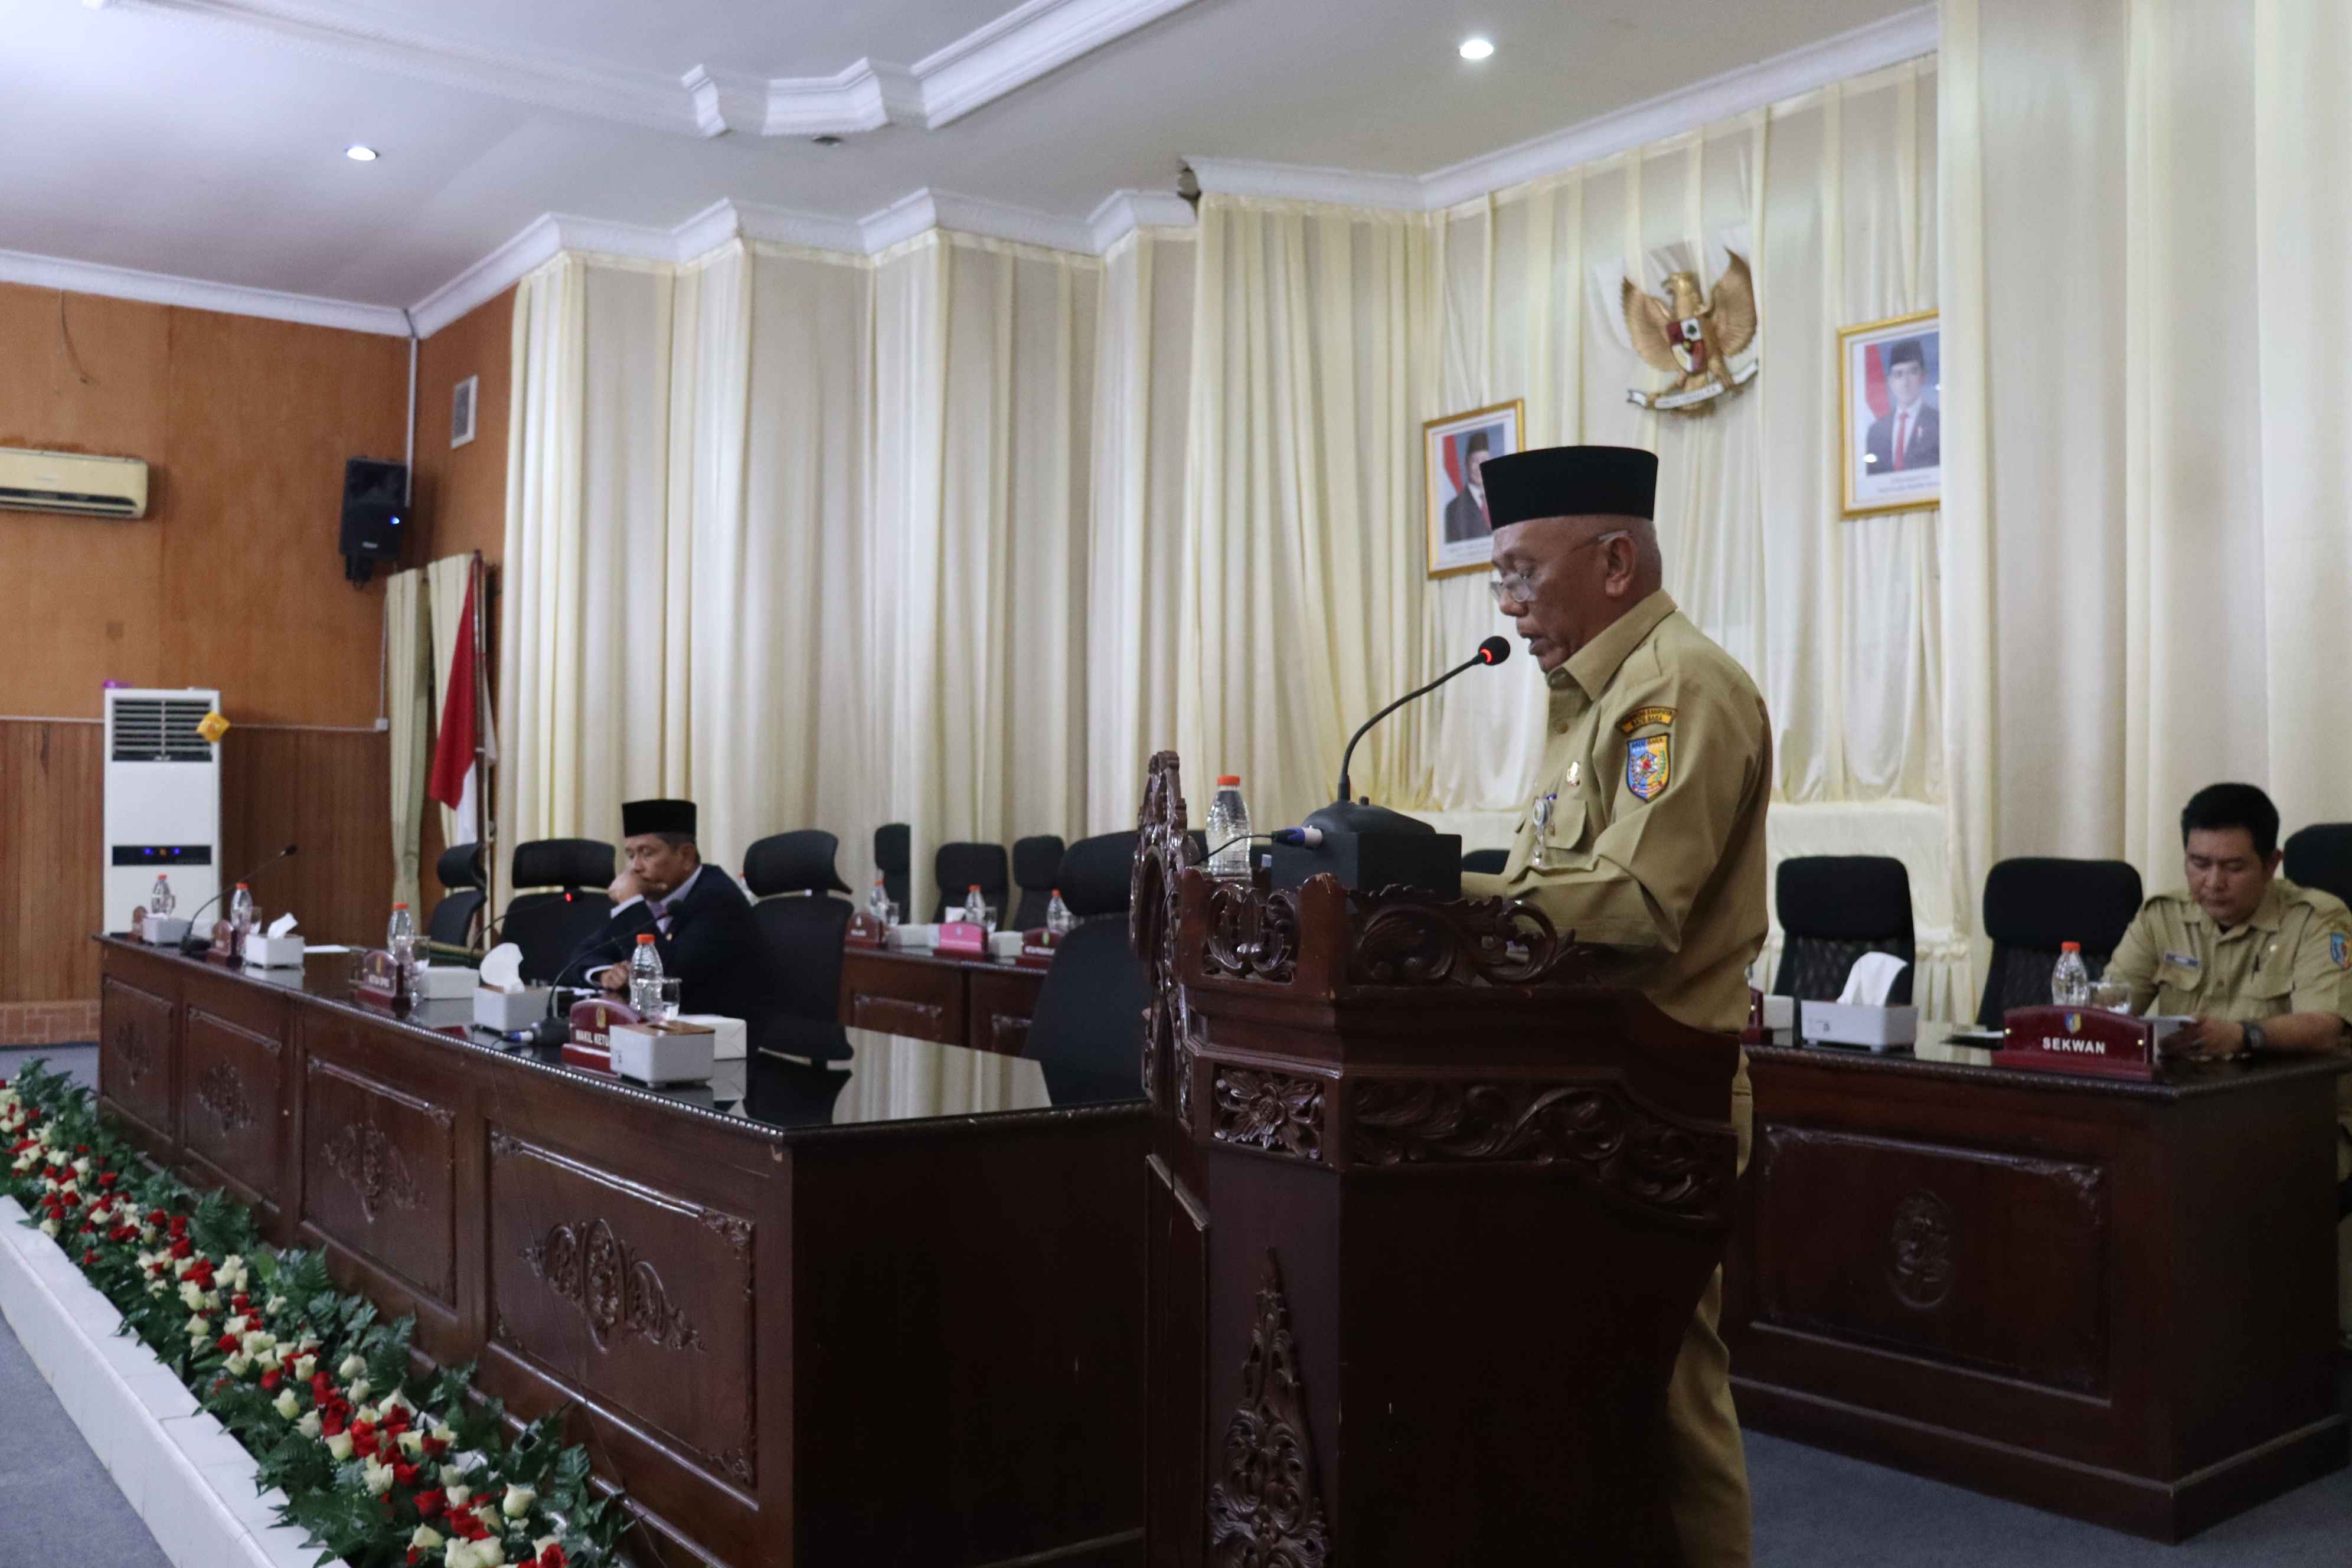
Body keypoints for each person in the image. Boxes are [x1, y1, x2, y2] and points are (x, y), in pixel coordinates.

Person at [1461, 443, 1771, 1568]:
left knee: (1665, 1392)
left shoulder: (1674, 688)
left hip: (1659, 1092)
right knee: (1589, 1394)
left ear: (1612, 562)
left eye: (1520, 573)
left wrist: (1440, 891)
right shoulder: (1587, 698)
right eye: (1498, 578)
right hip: (1583, 1090)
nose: (1507, 605)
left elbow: (1636, 905)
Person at [2101, 782, 2352, 1334]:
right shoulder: (2162, 917)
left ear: (2272, 864)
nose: (2212, 883)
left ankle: (2230, 1344)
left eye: (2233, 867)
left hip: (2297, 1123)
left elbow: (2324, 1025)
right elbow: (2109, 1010)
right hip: (2187, 1118)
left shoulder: (2317, 919)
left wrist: (2242, 1035)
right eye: (2199, 863)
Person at [579, 798, 778, 1031]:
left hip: (720, 1041)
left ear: (686, 857)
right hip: (671, 1034)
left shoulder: (718, 899)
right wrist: (604, 974)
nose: (635, 867)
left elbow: (667, 980)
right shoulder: (653, 895)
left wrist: (630, 904)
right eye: (631, 855)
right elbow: (582, 955)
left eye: (647, 853)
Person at [1864, 338, 1939, 475]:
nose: (1906, 382)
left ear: (1923, 377)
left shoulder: (1938, 423)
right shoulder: (1876, 431)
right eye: (1899, 374)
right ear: (1891, 382)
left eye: (1912, 372)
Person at [1442, 428, 1494, 543]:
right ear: (1466, 464)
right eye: (1475, 461)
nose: (1480, 466)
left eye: (1484, 460)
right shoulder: (1453, 509)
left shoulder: (1501, 500)